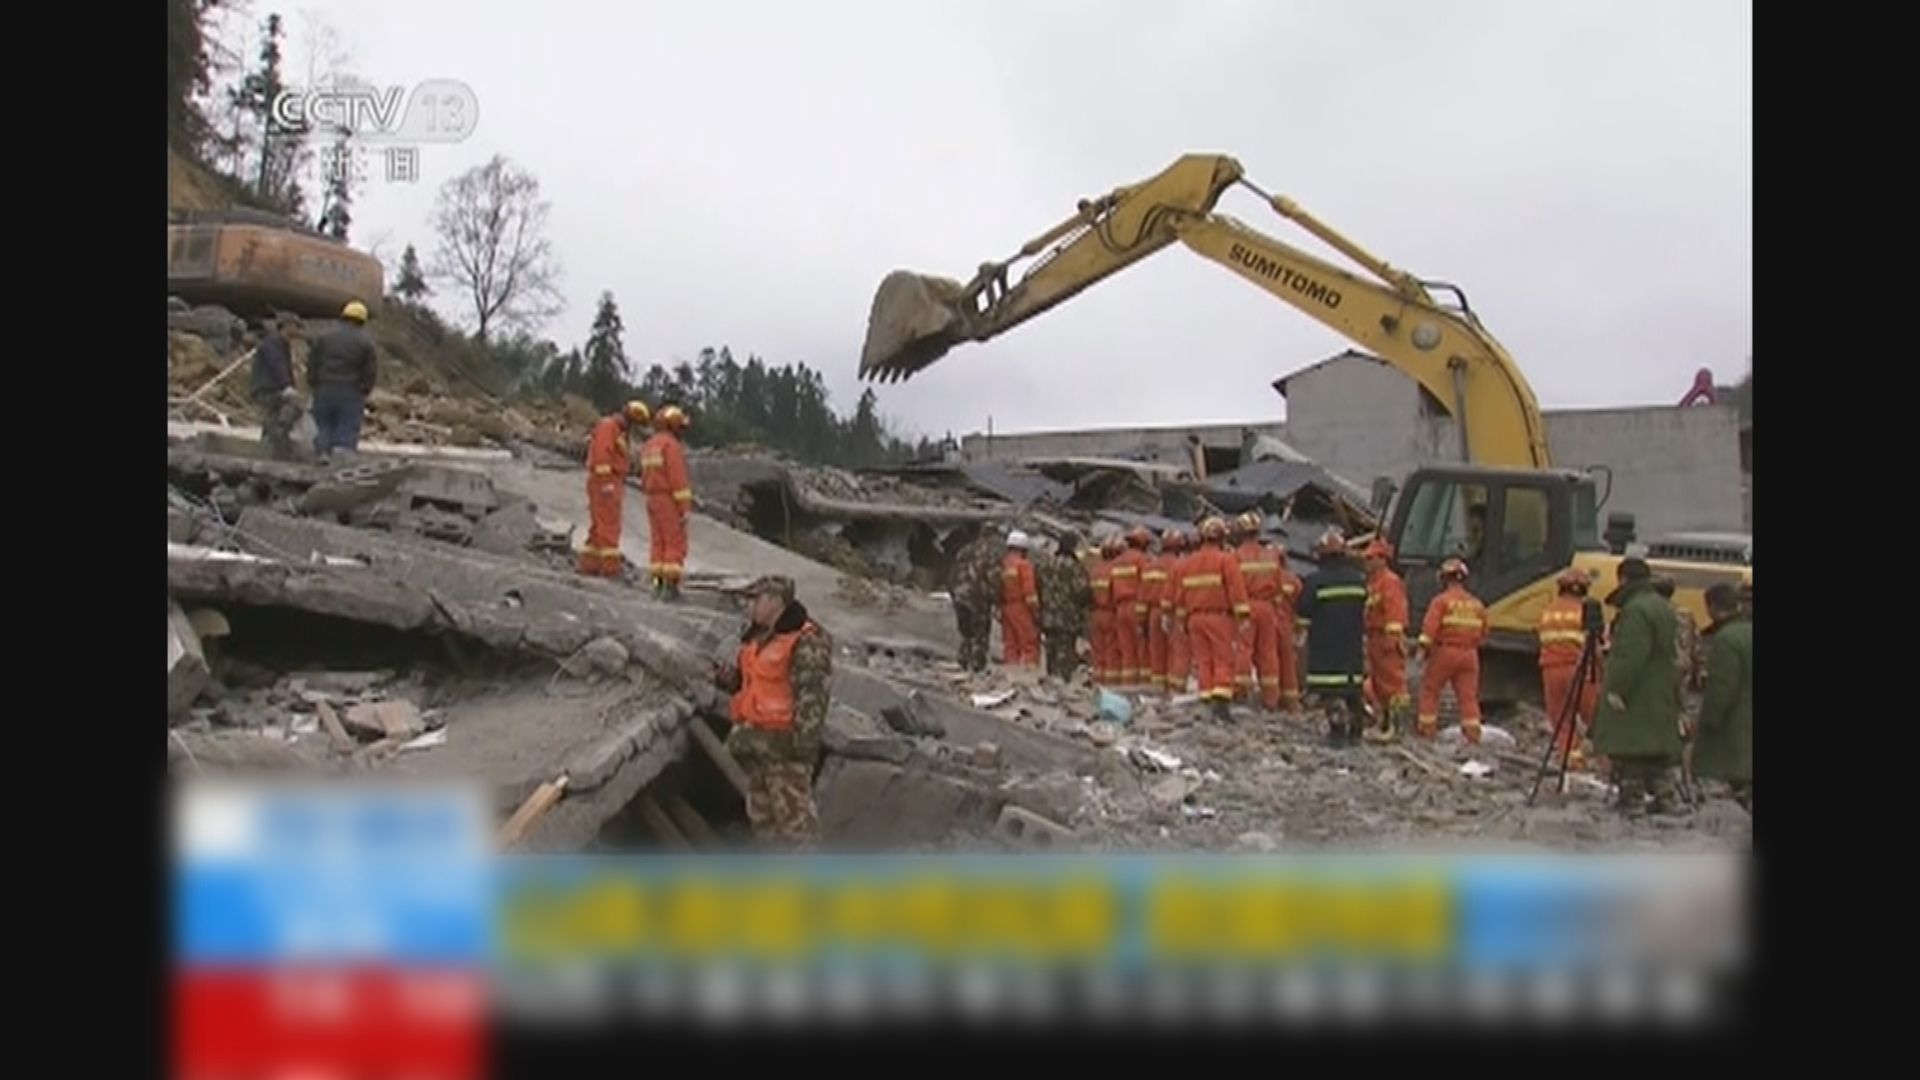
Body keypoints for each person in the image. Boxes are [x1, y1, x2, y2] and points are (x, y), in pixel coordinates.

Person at [712, 575, 829, 847]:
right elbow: (751, 685)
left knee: (796, 825)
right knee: (764, 823)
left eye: (756, 599)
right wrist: (728, 679)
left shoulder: (805, 640)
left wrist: (803, 749)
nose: (750, 605)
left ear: (777, 602)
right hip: (756, 745)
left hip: (785, 748)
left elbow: (812, 695)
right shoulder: (755, 638)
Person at [1591, 557, 1683, 816]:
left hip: (1639, 691)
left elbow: (1632, 655)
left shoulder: (1635, 609)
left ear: (1623, 579)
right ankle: (1667, 797)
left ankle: (1632, 800)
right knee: (1655, 748)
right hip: (1661, 687)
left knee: (1630, 746)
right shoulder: (1663, 607)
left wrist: (1617, 688)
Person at [1296, 529, 1369, 745]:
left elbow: (1303, 609)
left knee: (1331, 690)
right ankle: (1357, 730)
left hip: (1326, 644)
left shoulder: (1315, 581)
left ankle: (1338, 731)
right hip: (1352, 642)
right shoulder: (1359, 580)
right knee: (1352, 688)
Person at [1176, 516, 1250, 723]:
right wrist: (1242, 615)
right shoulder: (1226, 560)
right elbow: (1236, 589)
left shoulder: (1188, 563)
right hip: (1218, 617)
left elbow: (1181, 595)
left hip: (1194, 619)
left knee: (1203, 660)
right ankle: (1221, 705)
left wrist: (1182, 620)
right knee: (1223, 659)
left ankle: (1206, 698)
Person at [1691, 583, 1752, 810]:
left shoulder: (1726, 639)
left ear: (1712, 607)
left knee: (1739, 776)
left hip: (1736, 724)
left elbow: (1722, 688)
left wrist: (1710, 720)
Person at [1416, 558, 1489, 743]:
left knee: (1430, 691)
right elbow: (1485, 633)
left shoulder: (1441, 602)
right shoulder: (1477, 604)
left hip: (1445, 652)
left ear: (1443, 579)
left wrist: (1422, 651)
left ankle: (1427, 732)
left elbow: (1429, 629)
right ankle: (1473, 736)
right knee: (1468, 698)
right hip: (1470, 655)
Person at [1537, 568, 1602, 768]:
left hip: (1552, 670)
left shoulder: (1547, 612)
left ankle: (1573, 762)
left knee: (1561, 721)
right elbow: (1599, 647)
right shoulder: (1586, 613)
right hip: (1582, 671)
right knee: (1597, 720)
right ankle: (1608, 765)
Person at [576, 401, 650, 578]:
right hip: (606, 481)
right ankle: (610, 568)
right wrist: (606, 483)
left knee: (599, 526)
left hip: (608, 480)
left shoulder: (618, 431)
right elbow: (602, 455)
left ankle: (589, 564)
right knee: (610, 525)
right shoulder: (609, 427)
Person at [307, 300, 377, 458]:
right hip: (350, 391)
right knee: (347, 425)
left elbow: (312, 362)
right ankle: (341, 457)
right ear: (362, 320)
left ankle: (321, 454)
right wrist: (365, 390)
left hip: (323, 388)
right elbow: (370, 371)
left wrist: (313, 382)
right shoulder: (366, 343)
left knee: (322, 424)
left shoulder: (324, 336)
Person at [1232, 512, 1286, 711]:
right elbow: (1279, 588)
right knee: (1268, 653)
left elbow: (1233, 586)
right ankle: (1271, 697)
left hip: (1247, 606)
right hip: (1268, 608)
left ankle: (1241, 692)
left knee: (1244, 649)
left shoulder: (1236, 556)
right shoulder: (1271, 555)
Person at [639, 405, 694, 600]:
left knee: (658, 542)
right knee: (674, 543)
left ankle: (657, 584)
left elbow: (644, 475)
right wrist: (685, 508)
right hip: (668, 499)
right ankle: (670, 588)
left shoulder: (649, 445)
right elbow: (678, 480)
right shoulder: (671, 446)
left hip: (651, 498)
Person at [1360, 539, 1412, 741]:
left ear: (1383, 559)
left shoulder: (1389, 582)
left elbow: (1395, 611)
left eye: (1371, 558)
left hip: (1386, 638)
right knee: (1379, 683)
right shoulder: (1373, 583)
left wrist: (1392, 637)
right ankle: (1384, 723)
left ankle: (1396, 728)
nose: (1367, 562)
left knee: (1393, 683)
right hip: (1375, 637)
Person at [1036, 532, 1091, 681]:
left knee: (1050, 653)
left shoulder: (1046, 564)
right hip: (1067, 618)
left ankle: (1051, 682)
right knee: (1065, 655)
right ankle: (1062, 686)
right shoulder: (1073, 566)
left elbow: (1037, 587)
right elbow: (1082, 591)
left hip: (1047, 617)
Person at [249, 312, 304, 461]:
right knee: (281, 416)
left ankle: (268, 449)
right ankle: (275, 449)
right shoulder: (272, 343)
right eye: (296, 327)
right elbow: (277, 365)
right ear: (286, 326)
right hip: (267, 389)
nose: (299, 331)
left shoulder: (282, 344)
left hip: (273, 388)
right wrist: (286, 386)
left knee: (272, 420)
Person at [950, 526, 1004, 673]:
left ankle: (962, 660)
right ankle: (976, 667)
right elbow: (994, 578)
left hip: (960, 595)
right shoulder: (992, 553)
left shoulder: (965, 550)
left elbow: (953, 573)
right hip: (978, 598)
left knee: (966, 633)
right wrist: (997, 600)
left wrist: (953, 593)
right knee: (980, 635)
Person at [1111, 528, 1152, 689]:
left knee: (1126, 649)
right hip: (1136, 606)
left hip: (1120, 608)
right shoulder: (1141, 560)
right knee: (1141, 647)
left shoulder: (1117, 562)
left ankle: (1127, 686)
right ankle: (1142, 686)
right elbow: (1146, 585)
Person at [999, 531, 1042, 668]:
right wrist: (1036, 611)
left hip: (1006, 607)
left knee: (1010, 644)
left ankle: (1010, 673)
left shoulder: (1003, 564)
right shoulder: (1024, 565)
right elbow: (1029, 591)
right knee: (1029, 642)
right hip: (1021, 607)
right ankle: (1029, 674)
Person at [1158, 529, 1192, 695]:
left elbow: (1167, 594)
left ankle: (1169, 688)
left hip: (1173, 613)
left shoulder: (1154, 564)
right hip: (1189, 613)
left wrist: (1165, 612)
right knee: (1181, 654)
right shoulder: (1184, 565)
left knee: (1163, 652)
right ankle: (1178, 688)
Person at [1141, 535, 1171, 694]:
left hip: (1153, 613)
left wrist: (1141, 620)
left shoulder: (1151, 567)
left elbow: (1143, 595)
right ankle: (1174, 690)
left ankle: (1156, 689)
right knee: (1174, 652)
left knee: (1156, 652)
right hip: (1173, 614)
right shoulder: (1180, 565)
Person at [1089, 537, 1120, 686]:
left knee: (1098, 650)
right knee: (1112, 650)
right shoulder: (1115, 571)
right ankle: (1111, 685)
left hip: (1096, 615)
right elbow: (1117, 595)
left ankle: (1098, 682)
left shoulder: (1096, 571)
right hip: (1110, 613)